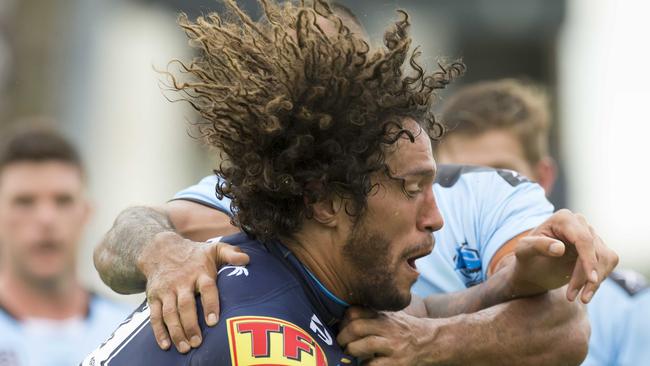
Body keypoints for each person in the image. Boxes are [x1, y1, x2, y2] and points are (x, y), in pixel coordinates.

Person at [88, 1, 618, 365]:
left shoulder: (302, 270)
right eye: (412, 190)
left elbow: (438, 316)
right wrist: (162, 252)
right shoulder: (267, 334)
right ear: (324, 200)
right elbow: (119, 243)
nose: (436, 216)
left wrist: (521, 276)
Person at [432, 79, 648, 365]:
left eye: (502, 175)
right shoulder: (410, 280)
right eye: (457, 178)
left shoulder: (625, 308)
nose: (481, 195)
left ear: (543, 177)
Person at [0, 124, 129, 366]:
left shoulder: (132, 331)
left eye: (63, 201)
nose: (46, 219)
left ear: (86, 213)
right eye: (24, 202)